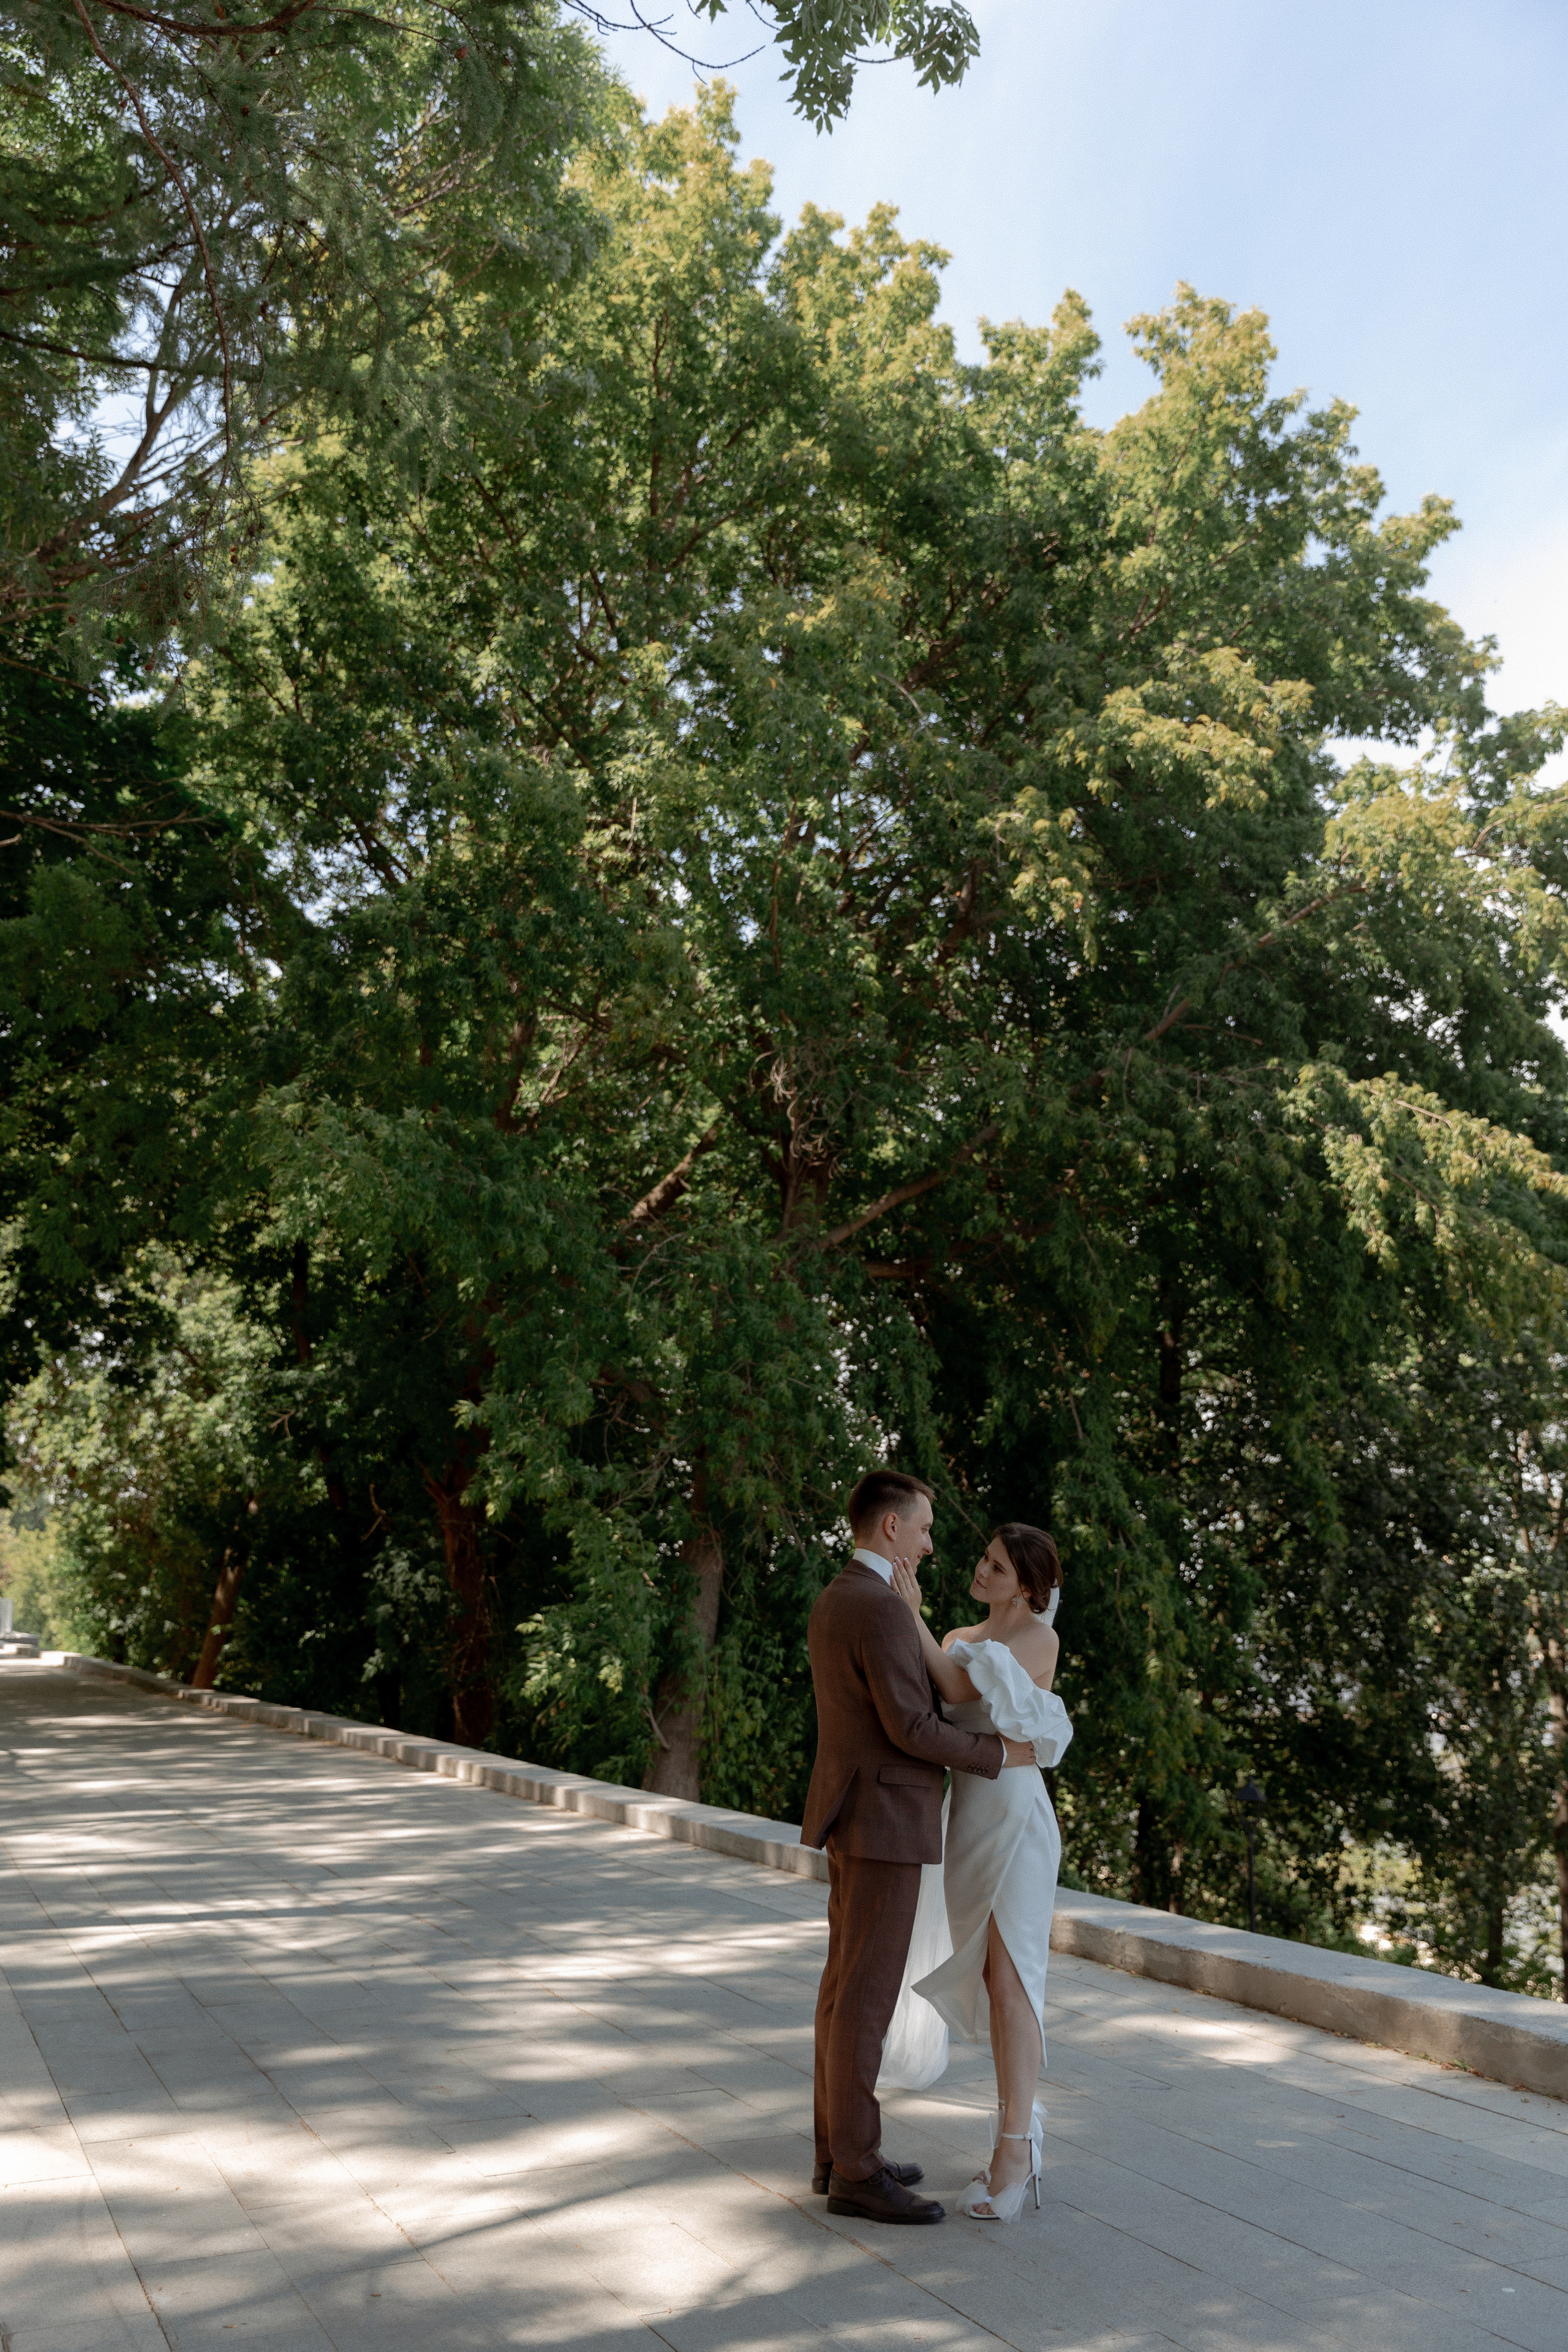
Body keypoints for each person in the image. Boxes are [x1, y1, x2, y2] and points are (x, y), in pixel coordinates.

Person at [801, 1468, 1036, 2226]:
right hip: (884, 1820)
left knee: (844, 1990)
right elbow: (911, 1727)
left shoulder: (843, 1595)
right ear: (891, 1529)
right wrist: (1000, 1758)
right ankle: (856, 2173)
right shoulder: (877, 1609)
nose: (934, 1544)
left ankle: (837, 2149)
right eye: (926, 1528)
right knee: (864, 1998)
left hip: (858, 1813)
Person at [886, 1524, 1072, 2223]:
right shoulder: (963, 1628)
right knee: (994, 1985)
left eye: (996, 1566)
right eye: (983, 1559)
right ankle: (1015, 2130)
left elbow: (958, 1682)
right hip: (967, 1815)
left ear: (1027, 1586)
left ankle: (1016, 2148)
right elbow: (936, 1698)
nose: (980, 1570)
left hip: (1016, 1821)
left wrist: (911, 1612)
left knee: (1012, 1983)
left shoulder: (1036, 1641)